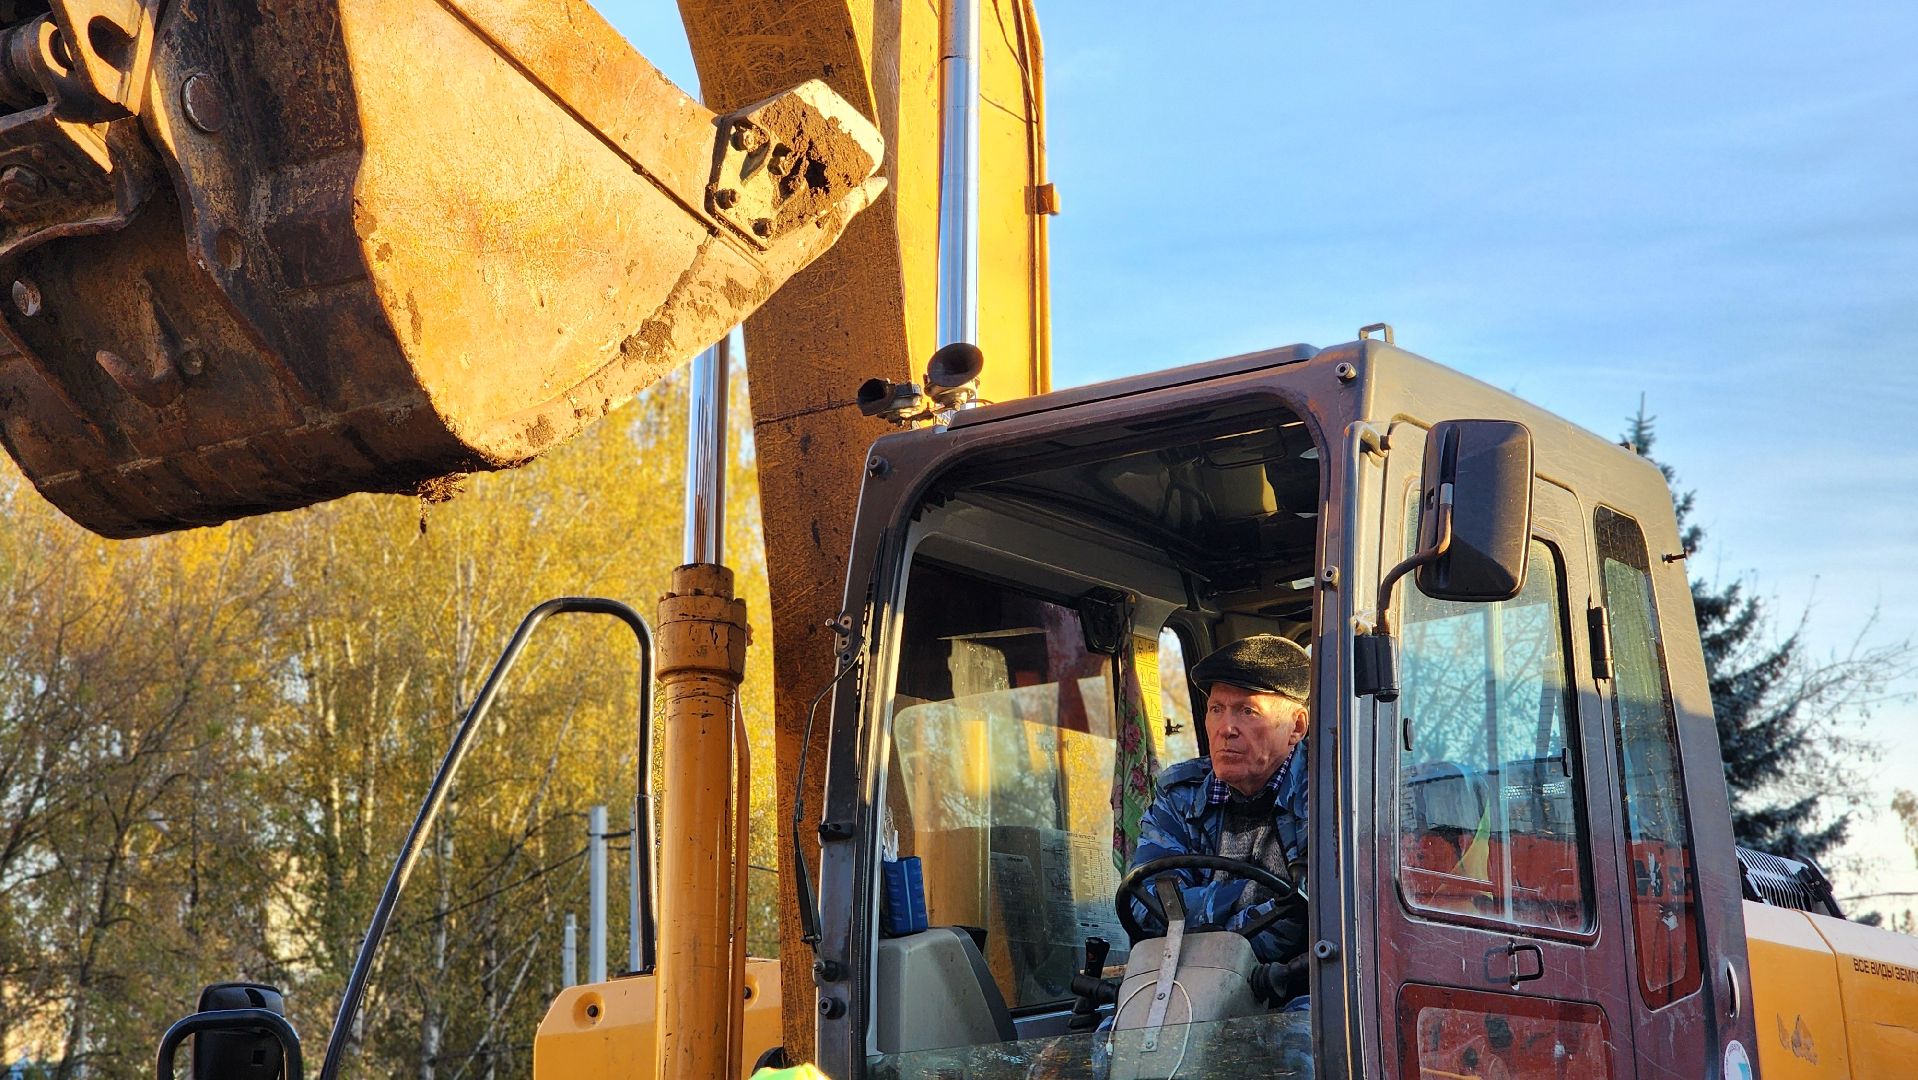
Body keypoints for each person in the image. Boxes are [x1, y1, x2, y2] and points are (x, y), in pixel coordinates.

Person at [1128, 633, 1311, 1008]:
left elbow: (1297, 921)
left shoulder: (1330, 795)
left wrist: (1192, 915)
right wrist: (1250, 900)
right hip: (1183, 985)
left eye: (1247, 711)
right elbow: (1146, 905)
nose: (1226, 727)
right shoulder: (1180, 793)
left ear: (1296, 727)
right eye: (1216, 709)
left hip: (1298, 992)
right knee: (1107, 1047)